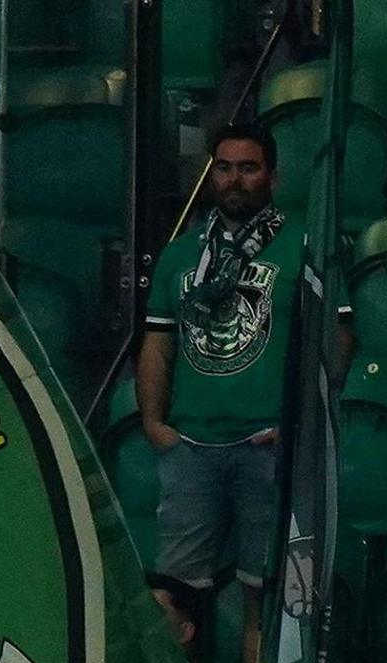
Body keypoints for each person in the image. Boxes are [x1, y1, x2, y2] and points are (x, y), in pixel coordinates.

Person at [131, 128, 305, 611]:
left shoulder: (303, 244)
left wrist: (300, 424)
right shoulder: (183, 252)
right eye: (224, 167)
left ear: (273, 175)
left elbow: (335, 343)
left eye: (248, 168)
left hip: (267, 445)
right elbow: (158, 342)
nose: (234, 179)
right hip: (191, 447)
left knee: (266, 598)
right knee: (175, 599)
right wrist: (153, 424)